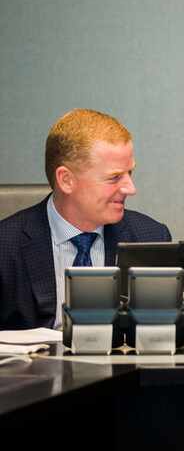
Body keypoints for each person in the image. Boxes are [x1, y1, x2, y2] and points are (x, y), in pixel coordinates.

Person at [0, 109, 171, 330]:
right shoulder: (6, 246)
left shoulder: (151, 238)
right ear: (66, 180)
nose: (131, 188)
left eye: (130, 173)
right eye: (114, 177)